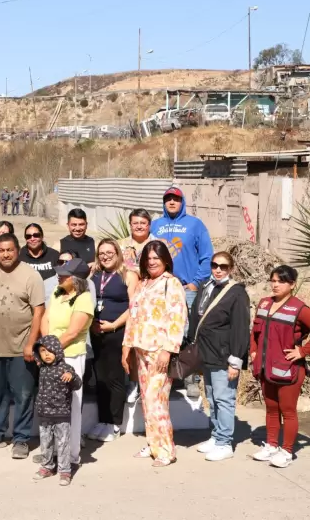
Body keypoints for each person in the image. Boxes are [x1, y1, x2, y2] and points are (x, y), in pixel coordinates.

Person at [0, 234, 45, 459]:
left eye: (10, 250)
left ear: (17, 250)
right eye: (1, 250)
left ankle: (21, 439)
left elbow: (39, 311)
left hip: (20, 347)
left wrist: (31, 343)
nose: (6, 254)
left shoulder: (30, 276)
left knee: (23, 394)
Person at [122, 240, 187, 468]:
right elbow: (133, 315)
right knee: (146, 401)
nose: (151, 262)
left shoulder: (172, 284)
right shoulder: (144, 284)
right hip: (141, 350)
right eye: (148, 258)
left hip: (160, 351)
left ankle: (166, 450)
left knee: (155, 399)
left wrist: (168, 350)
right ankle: (153, 443)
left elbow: (177, 318)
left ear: (165, 260)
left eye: (156, 258)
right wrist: (126, 346)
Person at [151, 186, 213, 397]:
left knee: (186, 332)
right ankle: (164, 374)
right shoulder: (156, 225)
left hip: (186, 288)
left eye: (176, 199)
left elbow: (207, 256)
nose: (171, 202)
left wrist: (196, 283)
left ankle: (190, 378)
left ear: (182, 202)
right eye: (167, 198)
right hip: (160, 287)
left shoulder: (195, 225)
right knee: (161, 331)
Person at [189, 252, 250, 462]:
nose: (218, 269)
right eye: (215, 265)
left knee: (224, 399)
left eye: (223, 267)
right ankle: (216, 436)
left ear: (230, 268)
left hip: (224, 355)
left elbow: (241, 328)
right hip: (207, 353)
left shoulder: (237, 293)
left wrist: (236, 359)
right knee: (212, 398)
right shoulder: (207, 286)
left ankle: (225, 442)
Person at [250, 265, 310, 469]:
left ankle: (287, 451)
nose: (275, 285)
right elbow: (255, 333)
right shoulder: (264, 303)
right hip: (267, 368)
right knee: (271, 409)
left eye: (280, 281)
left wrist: (302, 352)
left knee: (288, 410)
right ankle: (272, 445)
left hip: (290, 369)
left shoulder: (300, 308)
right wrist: (254, 351)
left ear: (292, 284)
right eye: (273, 280)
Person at [40, 258, 94, 467]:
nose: (59, 276)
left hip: (70, 357)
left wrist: (50, 352)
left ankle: (70, 456)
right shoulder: (57, 293)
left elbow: (72, 332)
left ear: (76, 279)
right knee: (51, 405)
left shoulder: (84, 299)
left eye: (65, 274)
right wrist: (46, 348)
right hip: (51, 355)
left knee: (70, 406)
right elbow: (46, 319)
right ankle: (52, 452)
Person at [87, 240, 138, 443]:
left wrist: (114, 325)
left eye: (110, 252)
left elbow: (133, 306)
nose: (106, 256)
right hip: (97, 332)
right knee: (100, 378)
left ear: (118, 253)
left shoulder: (128, 275)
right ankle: (103, 419)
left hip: (118, 332)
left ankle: (115, 423)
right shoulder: (94, 275)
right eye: (101, 253)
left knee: (115, 378)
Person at [32, 335, 81, 487]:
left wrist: (71, 376)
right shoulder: (42, 368)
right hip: (44, 413)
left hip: (61, 413)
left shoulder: (65, 368)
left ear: (58, 351)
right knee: (45, 442)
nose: (46, 354)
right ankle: (47, 467)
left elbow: (78, 384)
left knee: (63, 443)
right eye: (42, 351)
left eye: (50, 351)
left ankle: (65, 470)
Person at [118, 209, 159, 273]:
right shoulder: (120, 245)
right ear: (130, 225)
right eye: (135, 223)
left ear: (149, 225)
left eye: (143, 223)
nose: (139, 227)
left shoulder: (159, 245)